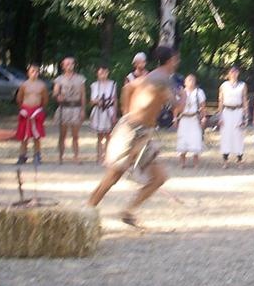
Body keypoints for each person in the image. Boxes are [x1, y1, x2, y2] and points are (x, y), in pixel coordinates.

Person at [87, 46, 180, 227]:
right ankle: (87, 211)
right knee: (114, 174)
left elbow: (128, 88)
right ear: (171, 60)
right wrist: (182, 95)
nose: (178, 62)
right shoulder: (162, 79)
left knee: (159, 177)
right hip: (131, 131)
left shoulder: (152, 76)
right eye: (176, 59)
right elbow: (178, 106)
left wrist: (127, 110)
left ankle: (128, 212)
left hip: (143, 133)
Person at [53, 56, 87, 164]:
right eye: (67, 64)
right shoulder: (59, 79)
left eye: (72, 63)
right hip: (64, 108)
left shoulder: (80, 78)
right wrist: (58, 96)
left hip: (76, 107)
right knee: (62, 135)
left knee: (75, 135)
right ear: (63, 66)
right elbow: (55, 93)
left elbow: (83, 95)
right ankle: (60, 156)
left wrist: (83, 110)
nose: (69, 66)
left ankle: (76, 157)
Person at [15, 63, 49, 165]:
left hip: (36, 111)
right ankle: (22, 155)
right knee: (24, 135)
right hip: (26, 111)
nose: (35, 73)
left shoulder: (42, 85)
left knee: (36, 135)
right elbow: (19, 98)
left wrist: (40, 109)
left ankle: (37, 155)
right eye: (32, 71)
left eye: (37, 71)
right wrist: (23, 109)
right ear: (28, 73)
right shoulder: (24, 85)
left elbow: (45, 100)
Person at [218, 65, 247, 169]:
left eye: (235, 72)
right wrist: (220, 116)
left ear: (238, 73)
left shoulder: (242, 85)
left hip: (238, 111)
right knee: (226, 135)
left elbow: (244, 100)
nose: (234, 74)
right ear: (228, 74)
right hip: (226, 111)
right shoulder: (224, 86)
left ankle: (239, 159)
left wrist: (245, 116)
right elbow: (220, 101)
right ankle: (225, 160)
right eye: (231, 72)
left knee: (238, 135)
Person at [175, 73, 206, 168]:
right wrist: (175, 118)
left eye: (192, 80)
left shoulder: (199, 92)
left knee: (195, 139)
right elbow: (176, 107)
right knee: (182, 139)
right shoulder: (181, 92)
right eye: (189, 80)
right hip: (184, 118)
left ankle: (196, 163)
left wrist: (203, 118)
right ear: (185, 82)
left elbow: (202, 106)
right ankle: (182, 163)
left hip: (194, 118)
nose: (191, 82)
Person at [89, 65, 118, 164]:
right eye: (101, 73)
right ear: (97, 73)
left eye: (105, 72)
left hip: (109, 110)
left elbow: (115, 99)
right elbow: (91, 101)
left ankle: (107, 156)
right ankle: (99, 156)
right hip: (99, 111)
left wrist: (115, 113)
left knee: (109, 135)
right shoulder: (94, 85)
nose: (103, 75)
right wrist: (97, 101)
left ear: (108, 73)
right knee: (100, 136)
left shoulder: (112, 84)